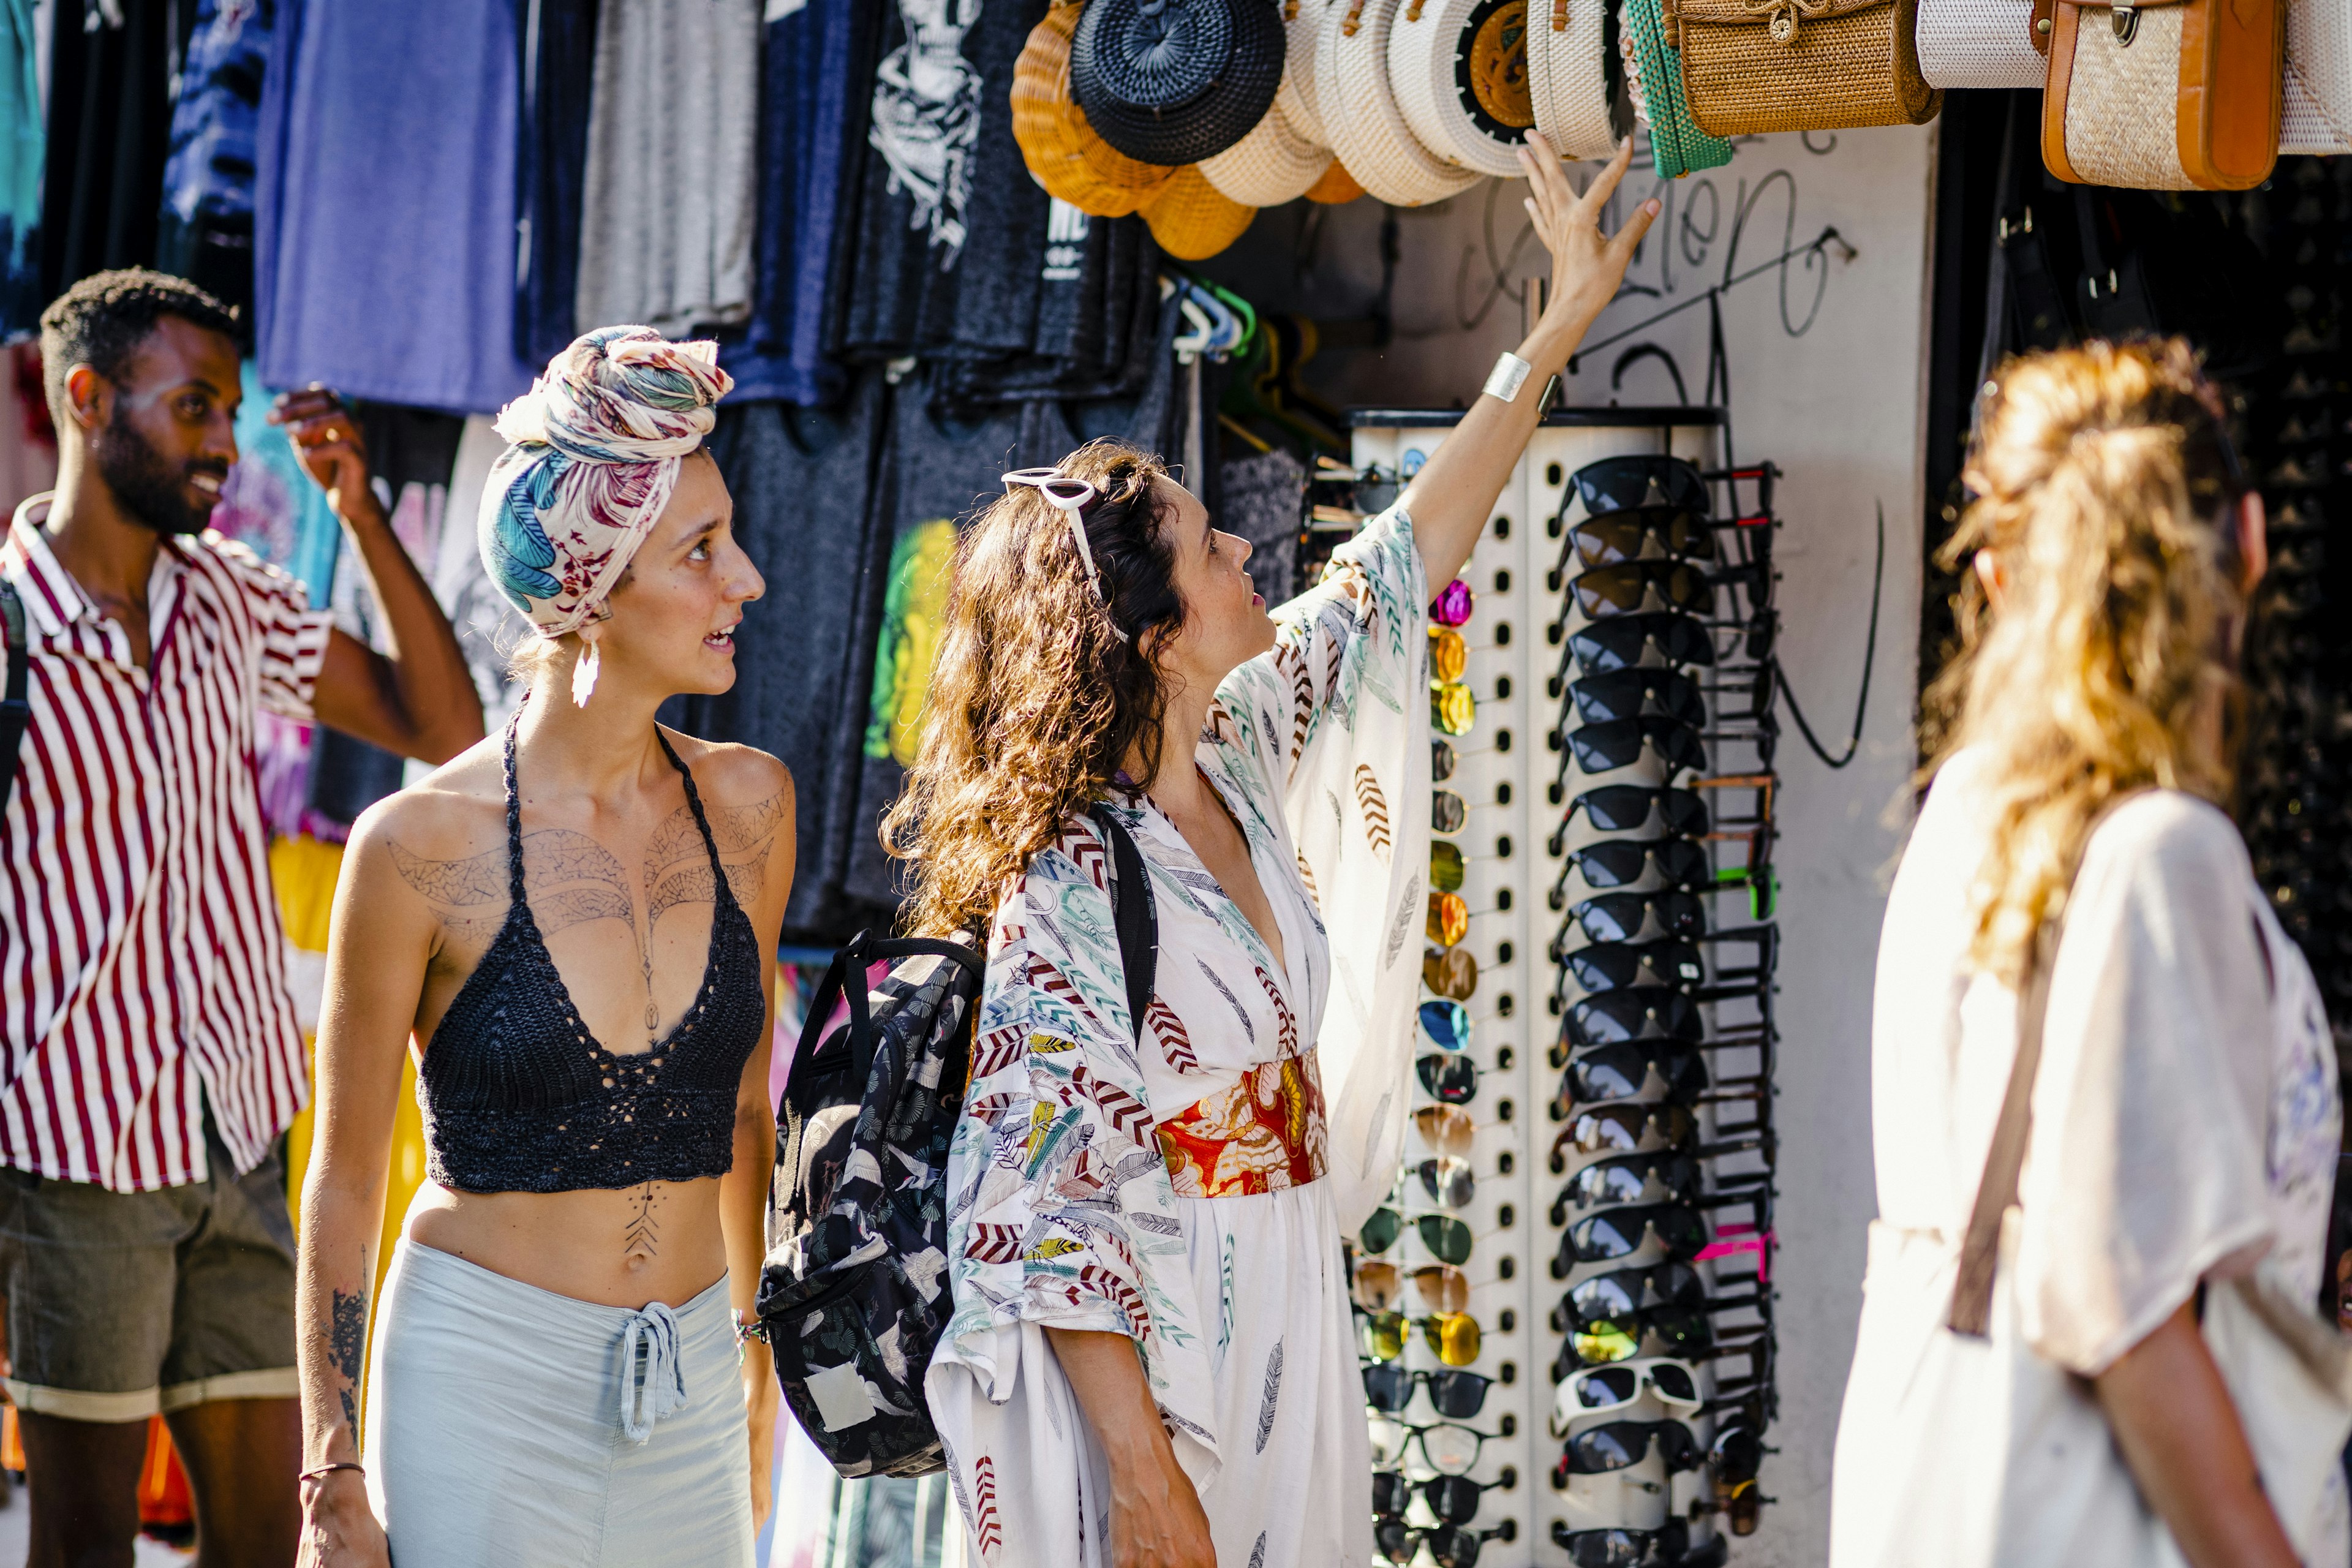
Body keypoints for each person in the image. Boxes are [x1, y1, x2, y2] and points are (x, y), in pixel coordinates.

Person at [898, 137, 1657, 1567]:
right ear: (1151, 635)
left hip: (1293, 1294)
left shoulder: (1237, 748)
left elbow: (1398, 561)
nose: (1251, 552)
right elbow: (1038, 1196)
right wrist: (1139, 1472)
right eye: (1209, 548)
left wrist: (1551, 334)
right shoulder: (1070, 877)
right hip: (1173, 1351)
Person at [1828, 339, 2343, 1567]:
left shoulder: (1967, 811)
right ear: (2255, 543)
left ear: (1999, 573)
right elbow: (2117, 1304)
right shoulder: (2163, 855)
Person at [0, 269, 482, 1568]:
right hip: (76, 1156)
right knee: (88, 1539)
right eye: (195, 405)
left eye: (230, 407)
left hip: (243, 1135)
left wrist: (359, 510)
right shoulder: (9, 633)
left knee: (270, 1536)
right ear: (89, 401)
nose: (227, 438)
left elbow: (438, 724)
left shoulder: (224, 596)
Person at [292, 326, 790, 1568]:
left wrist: (756, 1356)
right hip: (479, 1380)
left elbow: (742, 1116)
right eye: (701, 550)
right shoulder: (415, 847)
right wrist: (332, 1469)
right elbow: (346, 1182)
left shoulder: (753, 807)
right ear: (596, 587)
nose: (749, 581)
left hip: (688, 1386)